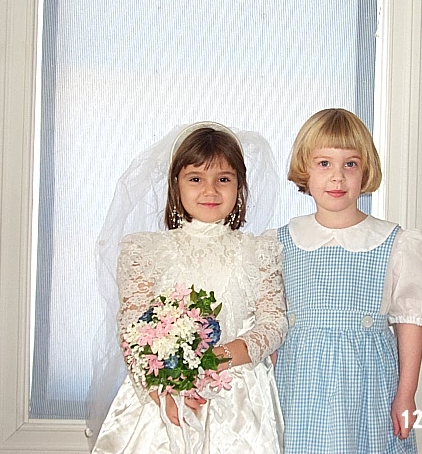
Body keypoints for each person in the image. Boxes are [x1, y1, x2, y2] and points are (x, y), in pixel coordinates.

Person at [90, 122, 287, 454]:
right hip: (165, 394)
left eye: (223, 179)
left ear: (239, 186)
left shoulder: (259, 251)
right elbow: (132, 329)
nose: (210, 191)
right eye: (196, 179)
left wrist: (215, 359)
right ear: (176, 185)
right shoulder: (145, 251)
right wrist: (163, 392)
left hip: (238, 397)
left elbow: (274, 322)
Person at [274, 108, 422, 454]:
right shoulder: (281, 242)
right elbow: (272, 324)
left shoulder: (394, 242)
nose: (337, 177)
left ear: (366, 170)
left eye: (350, 164)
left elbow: (410, 322)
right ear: (305, 168)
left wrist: (406, 393)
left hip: (368, 386)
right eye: (324, 163)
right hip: (299, 385)